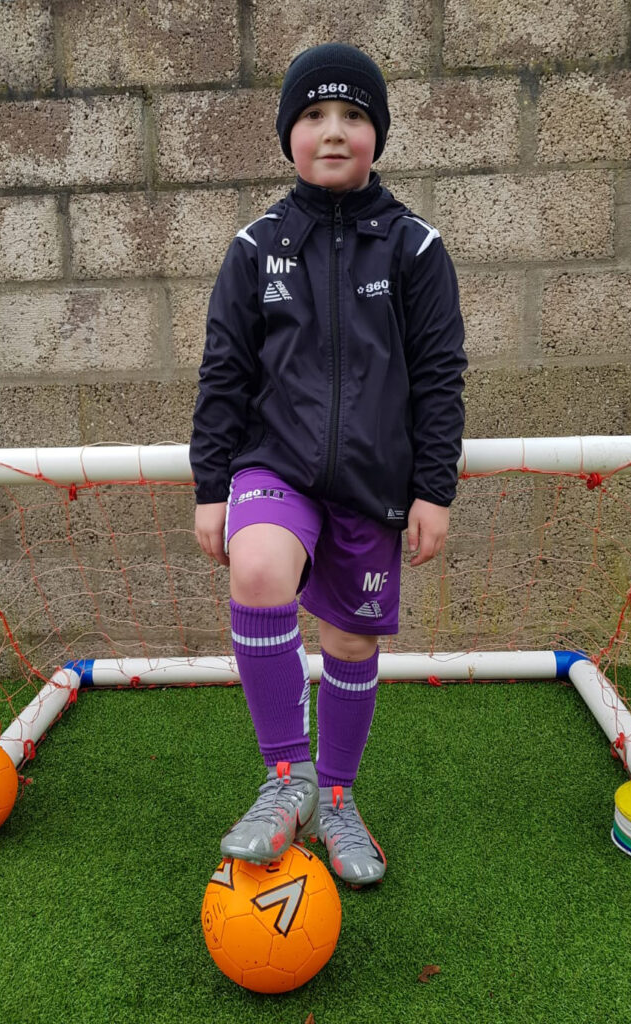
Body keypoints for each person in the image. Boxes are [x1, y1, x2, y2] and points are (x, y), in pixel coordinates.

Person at [190, 42, 466, 886]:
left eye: (352, 116)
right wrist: (211, 488)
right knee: (260, 564)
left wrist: (432, 491)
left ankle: (338, 797)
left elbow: (439, 374)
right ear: (289, 136)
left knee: (349, 638)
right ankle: (287, 778)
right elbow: (224, 369)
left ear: (376, 134)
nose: (334, 131)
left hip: (373, 485)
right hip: (273, 462)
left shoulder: (415, 250)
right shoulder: (255, 246)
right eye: (313, 115)